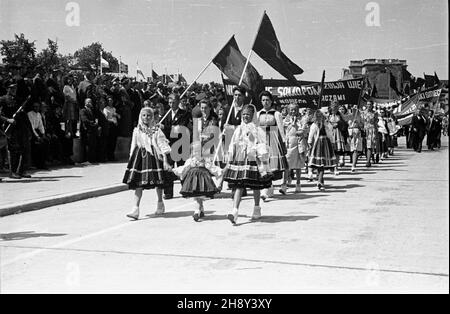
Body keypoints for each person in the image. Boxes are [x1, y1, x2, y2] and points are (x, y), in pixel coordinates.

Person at [222, 104, 272, 225]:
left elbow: (263, 144)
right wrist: (230, 157)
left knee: (255, 185)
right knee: (239, 184)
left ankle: (256, 208)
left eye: (248, 114)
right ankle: (235, 211)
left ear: (252, 116)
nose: (245, 116)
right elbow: (233, 143)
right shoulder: (238, 129)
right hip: (240, 158)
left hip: (252, 158)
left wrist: (255, 149)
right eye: (243, 114)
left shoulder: (257, 129)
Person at [122, 107, 172, 220]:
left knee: (158, 182)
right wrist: (131, 160)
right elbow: (133, 145)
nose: (146, 118)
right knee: (138, 184)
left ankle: (160, 202)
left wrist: (164, 159)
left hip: (154, 157)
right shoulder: (137, 130)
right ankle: (135, 209)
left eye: (148, 115)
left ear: (152, 117)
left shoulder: (156, 130)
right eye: (144, 115)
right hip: (140, 158)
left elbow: (162, 144)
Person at [257, 91, 289, 199]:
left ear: (271, 101)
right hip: (262, 141)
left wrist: (283, 143)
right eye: (263, 100)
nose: (265, 102)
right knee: (264, 165)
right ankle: (267, 188)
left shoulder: (276, 114)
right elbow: (255, 129)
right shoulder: (258, 114)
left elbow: (281, 129)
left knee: (272, 165)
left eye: (267, 100)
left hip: (274, 141)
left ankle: (269, 188)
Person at [160, 93, 192, 199]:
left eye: (173, 102)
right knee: (168, 169)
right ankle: (168, 192)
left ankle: (185, 189)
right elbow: (163, 131)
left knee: (182, 168)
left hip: (181, 145)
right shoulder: (165, 114)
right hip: (169, 146)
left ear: (178, 102)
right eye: (169, 102)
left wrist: (166, 127)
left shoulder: (185, 114)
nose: (171, 105)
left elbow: (180, 129)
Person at [308, 109, 337, 191]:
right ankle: (320, 180)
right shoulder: (314, 125)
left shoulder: (326, 125)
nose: (320, 118)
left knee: (322, 164)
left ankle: (320, 180)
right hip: (317, 145)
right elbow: (311, 134)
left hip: (325, 145)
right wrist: (310, 142)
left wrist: (332, 142)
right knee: (319, 164)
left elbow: (330, 134)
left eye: (321, 116)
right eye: (318, 117)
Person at [283, 103, 307, 193]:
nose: (293, 111)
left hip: (298, 143)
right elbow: (283, 130)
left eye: (295, 110)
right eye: (291, 110)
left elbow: (304, 130)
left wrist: (302, 131)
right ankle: (284, 184)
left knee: (298, 165)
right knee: (286, 165)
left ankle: (298, 183)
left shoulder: (301, 119)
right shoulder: (285, 120)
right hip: (289, 144)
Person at [328, 101, 348, 175]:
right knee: (330, 151)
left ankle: (336, 166)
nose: (334, 108)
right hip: (330, 133)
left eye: (336, 106)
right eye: (333, 106)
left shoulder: (340, 115)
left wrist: (339, 124)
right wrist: (330, 125)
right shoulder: (328, 115)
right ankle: (331, 166)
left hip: (338, 133)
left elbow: (345, 123)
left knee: (336, 151)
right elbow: (325, 123)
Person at [28, 100, 49, 169]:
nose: (36, 108)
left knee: (45, 142)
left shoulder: (39, 114)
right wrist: (37, 136)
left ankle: (43, 163)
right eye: (35, 107)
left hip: (38, 131)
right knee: (37, 145)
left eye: (37, 107)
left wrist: (43, 134)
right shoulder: (29, 114)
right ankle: (37, 163)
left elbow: (41, 125)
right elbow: (31, 127)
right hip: (31, 132)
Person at [79, 98, 101, 163]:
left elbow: (94, 119)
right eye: (88, 102)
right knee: (87, 146)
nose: (90, 103)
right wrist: (93, 123)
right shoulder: (83, 110)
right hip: (86, 131)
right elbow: (84, 120)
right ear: (85, 103)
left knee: (92, 146)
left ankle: (92, 159)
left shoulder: (91, 111)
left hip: (92, 130)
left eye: (90, 102)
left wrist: (96, 124)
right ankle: (87, 160)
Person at [103, 96, 121, 161]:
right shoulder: (105, 109)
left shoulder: (114, 109)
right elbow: (106, 118)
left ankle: (112, 156)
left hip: (114, 126)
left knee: (114, 142)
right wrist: (112, 120)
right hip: (109, 126)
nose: (110, 102)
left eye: (111, 100)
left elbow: (115, 116)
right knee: (109, 142)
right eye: (109, 100)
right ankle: (108, 156)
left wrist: (117, 116)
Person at [362, 101, 379, 166]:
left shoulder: (375, 113)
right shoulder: (363, 112)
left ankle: (368, 161)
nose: (368, 105)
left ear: (372, 105)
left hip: (371, 130)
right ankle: (370, 158)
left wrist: (375, 132)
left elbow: (376, 122)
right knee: (365, 146)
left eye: (370, 104)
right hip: (364, 130)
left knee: (369, 146)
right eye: (367, 104)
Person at [347, 108, 364, 172]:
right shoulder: (349, 116)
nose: (354, 110)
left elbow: (362, 126)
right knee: (351, 150)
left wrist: (358, 124)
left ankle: (353, 165)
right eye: (353, 109)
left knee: (355, 150)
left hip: (357, 134)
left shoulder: (360, 117)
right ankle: (352, 161)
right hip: (350, 133)